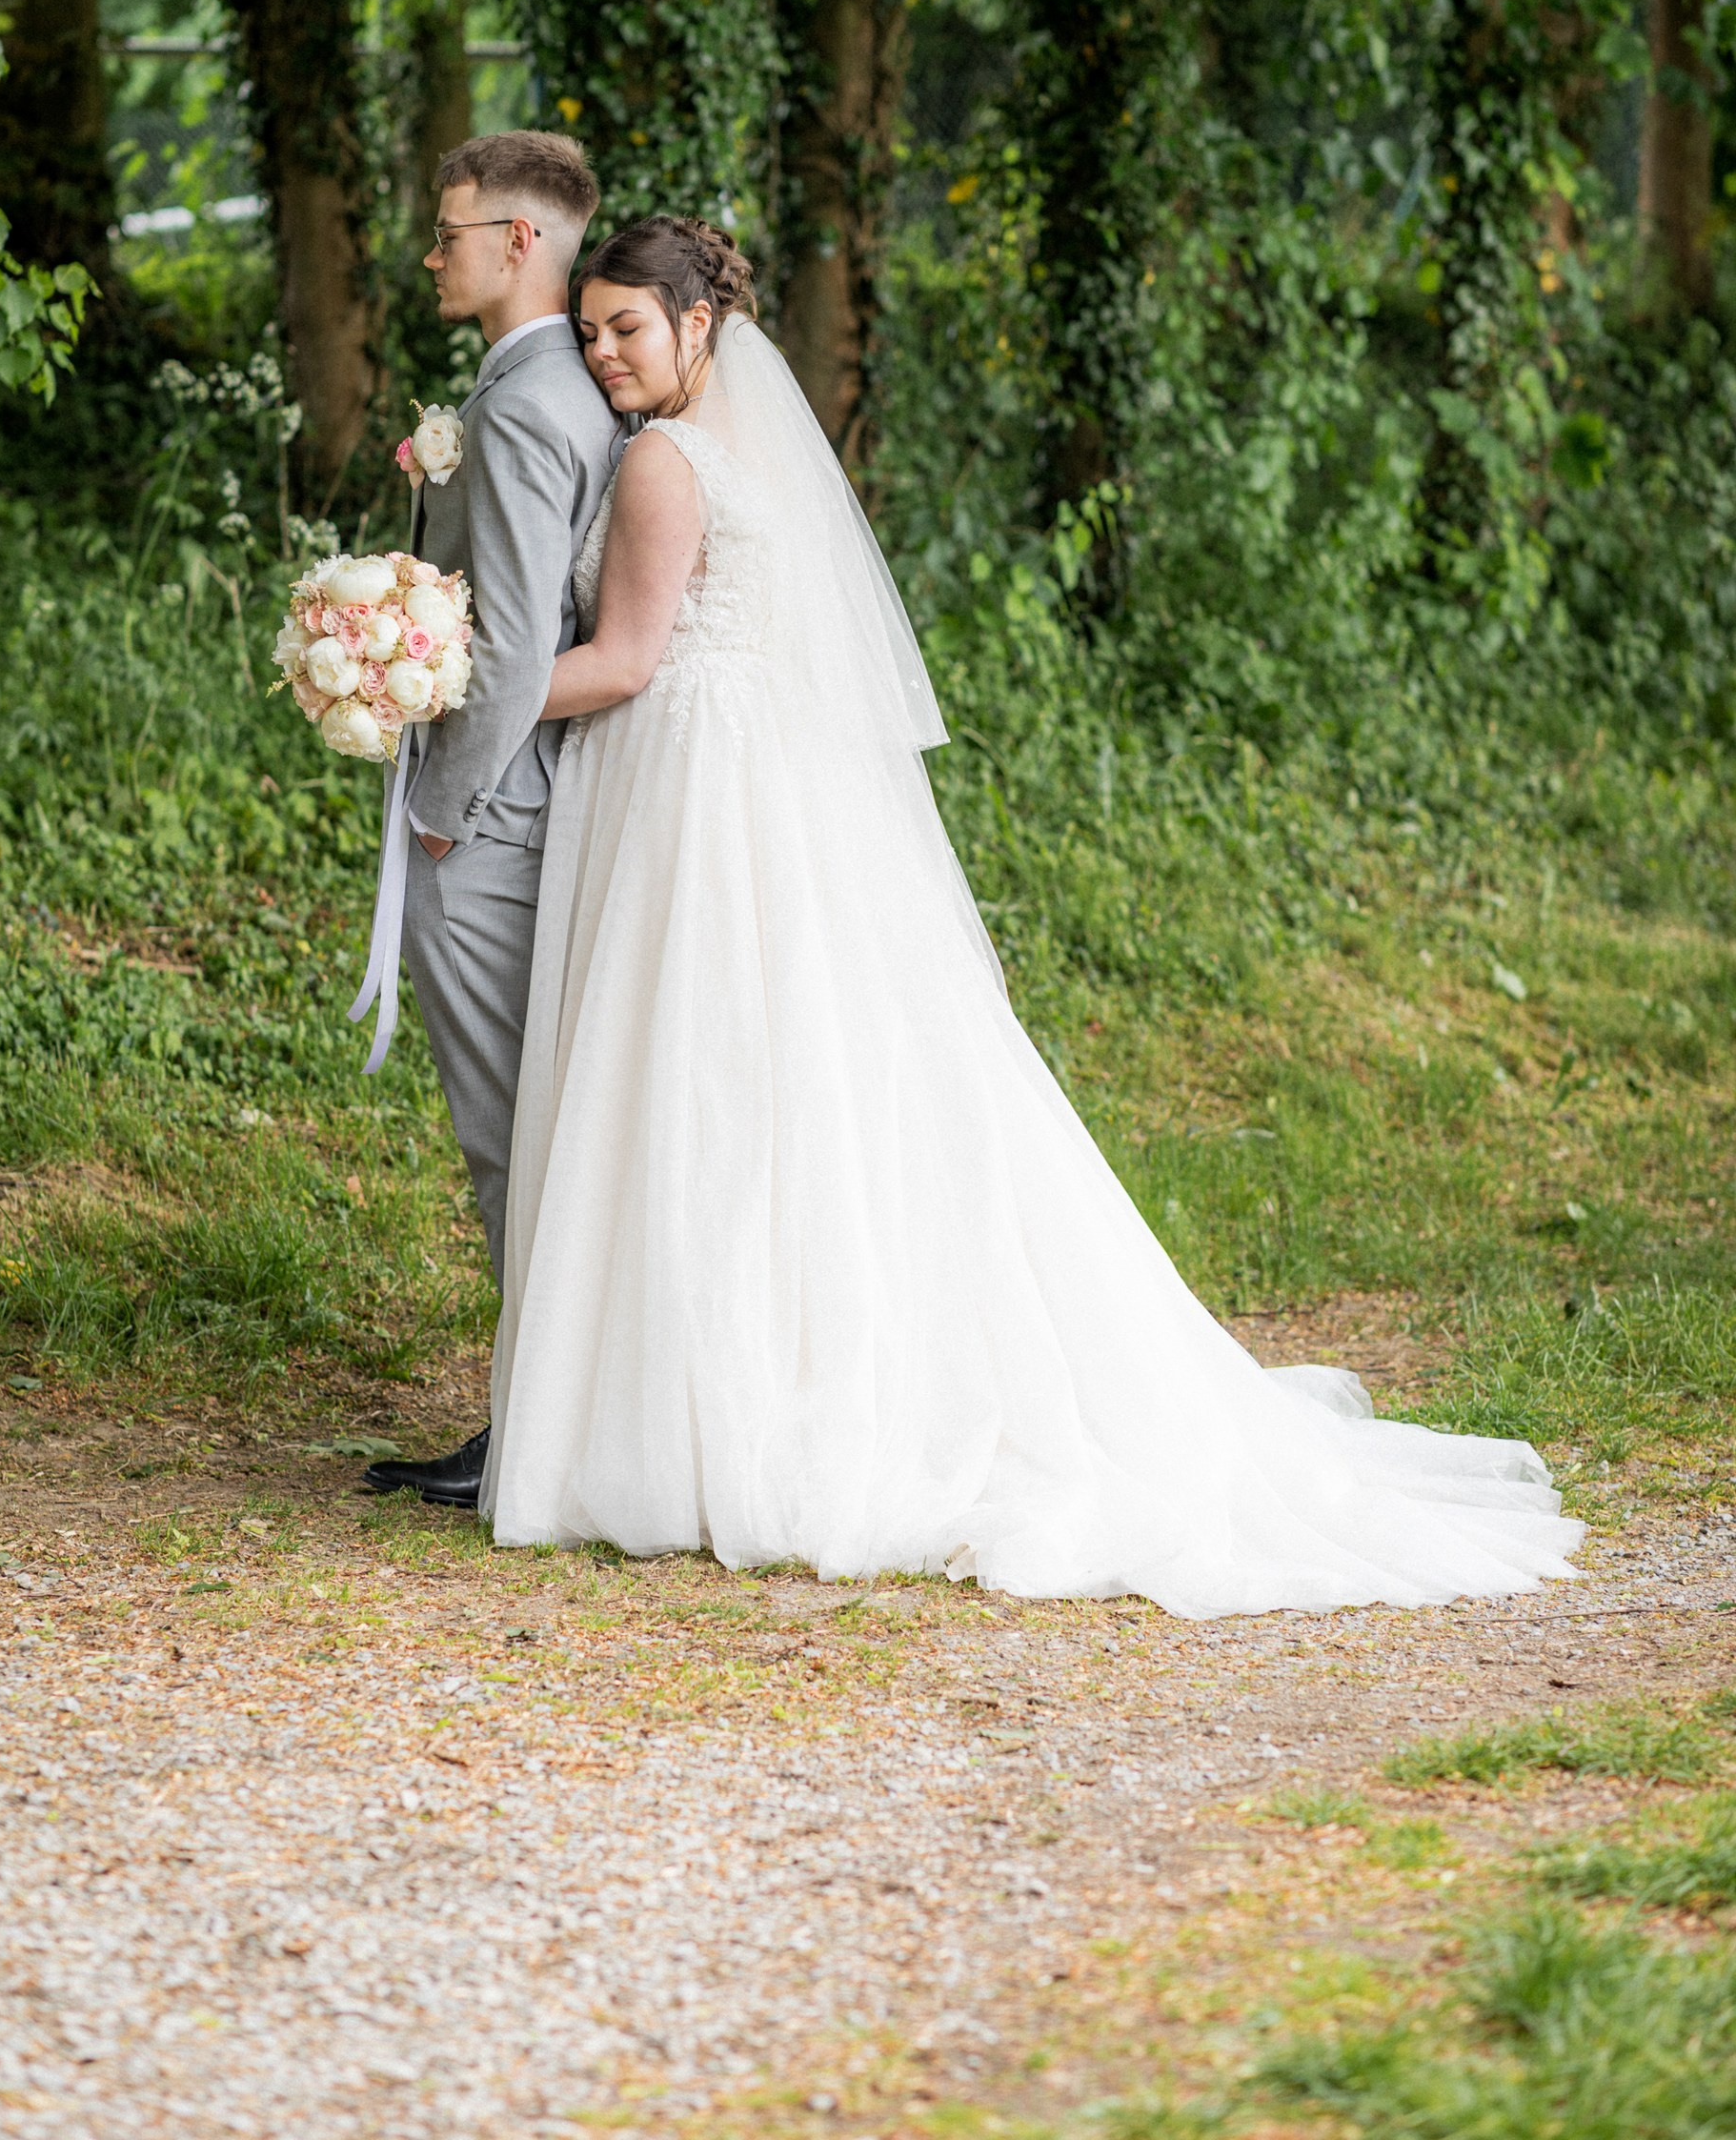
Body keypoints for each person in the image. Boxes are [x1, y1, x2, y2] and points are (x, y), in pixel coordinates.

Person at [478, 215, 1585, 1614]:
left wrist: (458, 686)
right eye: (588, 333)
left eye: (626, 328)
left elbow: (629, 660)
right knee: (787, 1087)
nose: (602, 354)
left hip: (691, 795)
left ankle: (707, 1414)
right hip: (769, 791)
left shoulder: (660, 461)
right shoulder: (747, 444)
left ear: (699, 324)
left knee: (706, 1083)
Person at [361, 131, 618, 1517]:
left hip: (495, 817)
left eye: (448, 231)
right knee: (539, 1122)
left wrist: (443, 813)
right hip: (532, 803)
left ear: (520, 241)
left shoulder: (522, 407)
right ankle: (555, 1412)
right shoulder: (562, 381)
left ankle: (545, 1436)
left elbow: (515, 649)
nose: (430, 255)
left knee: (509, 1135)